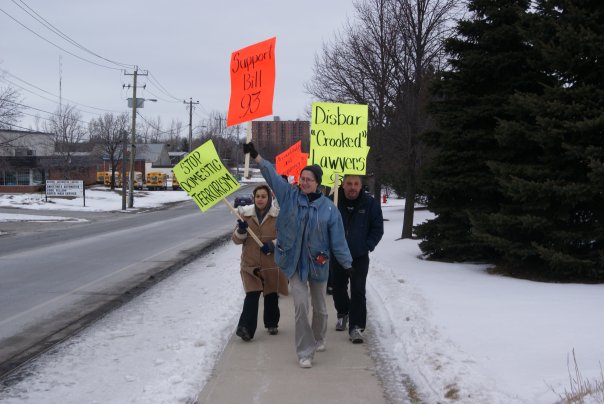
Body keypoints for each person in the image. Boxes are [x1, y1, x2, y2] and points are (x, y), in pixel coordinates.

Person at [243, 142, 353, 369]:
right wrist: (256, 156)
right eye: (302, 178)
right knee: (301, 306)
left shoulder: (329, 209)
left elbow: (339, 240)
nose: (304, 182)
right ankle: (305, 351)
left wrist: (347, 264)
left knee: (321, 308)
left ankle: (319, 338)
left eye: (309, 179)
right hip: (293, 262)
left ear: (318, 183)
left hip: (318, 264)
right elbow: (272, 176)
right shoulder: (290, 197)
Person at [330, 175, 383, 344]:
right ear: (343, 185)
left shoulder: (370, 204)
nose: (352, 187)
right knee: (337, 288)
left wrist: (367, 245)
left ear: (361, 186)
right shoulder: (333, 201)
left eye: (356, 184)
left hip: (359, 256)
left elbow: (377, 228)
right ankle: (343, 312)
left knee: (358, 289)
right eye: (349, 183)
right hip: (338, 254)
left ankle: (356, 327)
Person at [232, 184, 288, 342]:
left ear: (269, 198)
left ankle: (271, 323)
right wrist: (241, 231)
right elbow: (236, 240)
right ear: (254, 198)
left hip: (271, 262)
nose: (260, 199)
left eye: (264, 196)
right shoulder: (246, 216)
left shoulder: (277, 216)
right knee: (252, 294)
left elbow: (286, 237)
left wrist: (273, 244)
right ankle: (246, 328)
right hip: (250, 264)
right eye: (258, 196)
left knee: (270, 294)